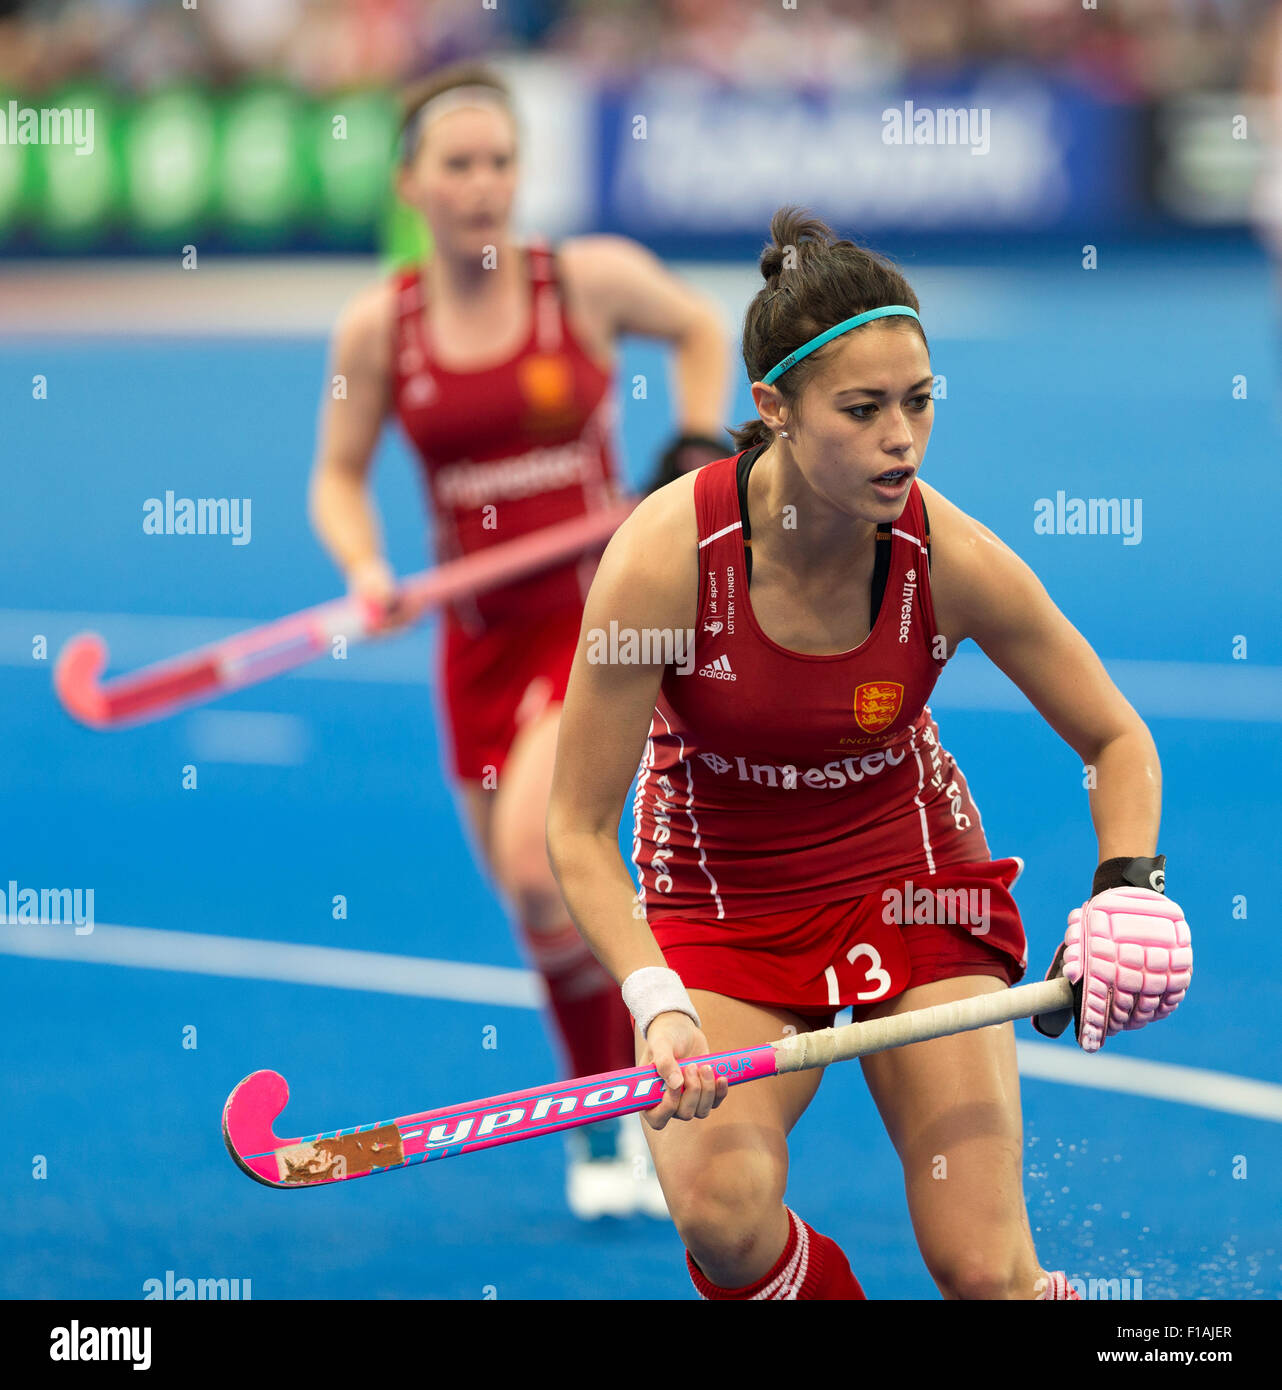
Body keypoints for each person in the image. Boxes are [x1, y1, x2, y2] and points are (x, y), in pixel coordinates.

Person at [546, 206, 1192, 1297]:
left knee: (984, 1271)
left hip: (912, 885)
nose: (902, 438)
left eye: (920, 402)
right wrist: (653, 995)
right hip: (722, 901)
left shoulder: (951, 555)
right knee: (720, 1215)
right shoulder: (663, 558)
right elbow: (574, 826)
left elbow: (1114, 735)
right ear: (774, 410)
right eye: (863, 408)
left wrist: (1129, 882)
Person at [307, 61, 732, 1218]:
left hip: (594, 621)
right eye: (458, 165)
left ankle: (630, 1111)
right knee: (535, 902)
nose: (484, 185)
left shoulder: (580, 282)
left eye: (500, 161)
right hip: (477, 638)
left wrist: (696, 441)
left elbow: (699, 327)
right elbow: (337, 479)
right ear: (412, 183)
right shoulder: (380, 327)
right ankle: (610, 1113)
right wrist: (366, 570)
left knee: (542, 859)